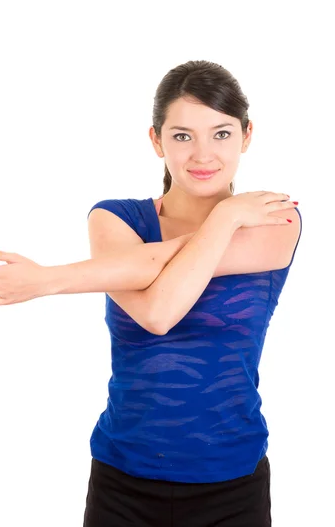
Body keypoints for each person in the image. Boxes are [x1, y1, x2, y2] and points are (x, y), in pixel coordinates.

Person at [83, 60, 302, 526]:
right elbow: (157, 313)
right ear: (156, 140)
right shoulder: (115, 219)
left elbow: (160, 309)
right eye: (182, 136)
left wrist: (51, 278)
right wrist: (224, 221)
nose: (203, 154)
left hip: (233, 483)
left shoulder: (275, 219)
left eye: (221, 134)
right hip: (121, 480)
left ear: (246, 136)